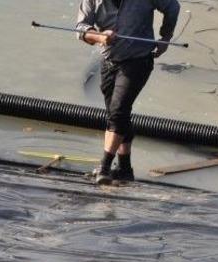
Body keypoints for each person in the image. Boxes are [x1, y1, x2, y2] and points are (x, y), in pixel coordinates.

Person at [76, 0, 180, 185]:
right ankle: (124, 169)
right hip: (109, 59)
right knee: (115, 115)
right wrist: (99, 37)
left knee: (118, 111)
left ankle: (105, 167)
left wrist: (165, 38)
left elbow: (172, 7)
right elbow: (81, 28)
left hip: (138, 60)